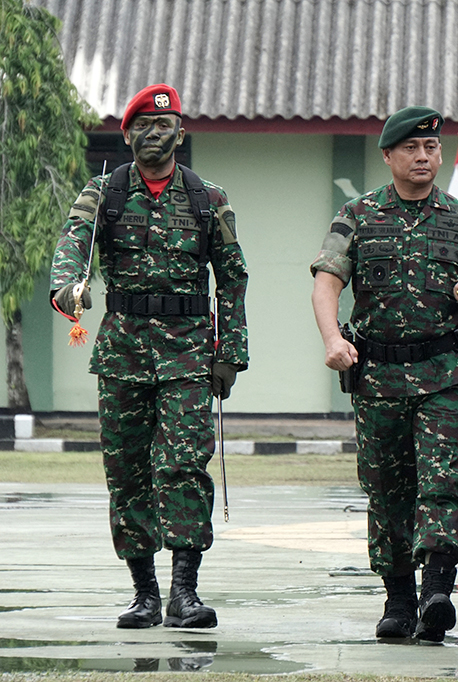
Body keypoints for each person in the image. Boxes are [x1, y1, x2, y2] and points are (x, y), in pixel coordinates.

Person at [309, 106, 458, 643]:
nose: (424, 157)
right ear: (389, 156)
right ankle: (398, 598)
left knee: (443, 479)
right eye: (412, 149)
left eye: (431, 149)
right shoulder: (359, 215)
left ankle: (437, 591)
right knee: (386, 489)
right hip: (377, 378)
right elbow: (327, 280)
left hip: (443, 374)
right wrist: (333, 339)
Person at [49, 83, 248, 630]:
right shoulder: (103, 194)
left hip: (188, 353)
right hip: (123, 353)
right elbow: (71, 249)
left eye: (165, 126)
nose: (154, 135)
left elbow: (232, 278)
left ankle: (185, 592)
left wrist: (229, 352)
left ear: (181, 134)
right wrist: (70, 289)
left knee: (183, 467)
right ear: (129, 133)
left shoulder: (209, 197)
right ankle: (144, 594)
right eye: (143, 126)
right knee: (128, 472)